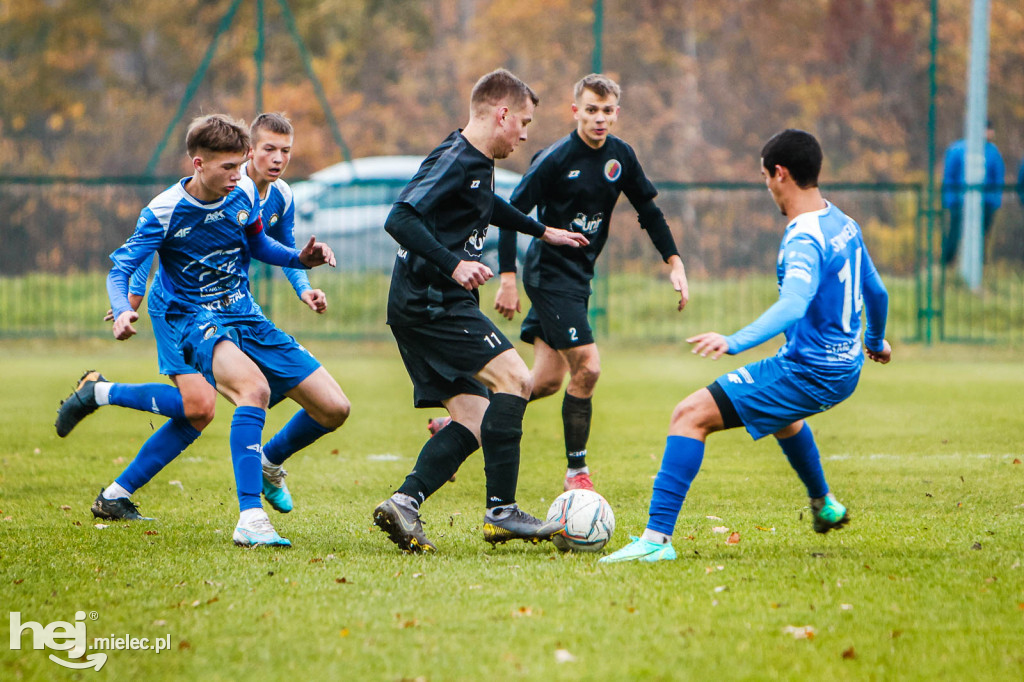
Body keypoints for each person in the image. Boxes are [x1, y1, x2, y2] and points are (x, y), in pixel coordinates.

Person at [600, 129, 891, 564]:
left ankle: (655, 541)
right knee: (783, 418)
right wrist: (874, 340)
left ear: (781, 173)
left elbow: (793, 305)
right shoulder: (842, 223)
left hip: (810, 371)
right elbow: (877, 290)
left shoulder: (803, 238)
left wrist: (734, 341)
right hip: (844, 366)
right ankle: (824, 504)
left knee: (689, 414)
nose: (766, 185)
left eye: (765, 176)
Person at [58, 114, 343, 548]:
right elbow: (123, 267)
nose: (238, 175)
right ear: (198, 164)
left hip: (242, 311)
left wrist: (301, 262)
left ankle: (102, 406)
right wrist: (122, 310)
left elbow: (258, 243)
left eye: (239, 164)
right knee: (248, 392)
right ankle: (250, 517)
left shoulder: (245, 193)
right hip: (187, 315)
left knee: (333, 408)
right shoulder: (163, 211)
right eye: (228, 168)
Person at [373, 68, 589, 553]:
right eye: (525, 122)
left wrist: (544, 231)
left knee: (474, 417)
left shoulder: (473, 161)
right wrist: (453, 266)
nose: (526, 134)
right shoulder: (457, 158)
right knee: (517, 379)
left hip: (417, 305)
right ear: (502, 113)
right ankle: (502, 512)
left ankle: (404, 504)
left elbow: (484, 204)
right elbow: (399, 217)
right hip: (433, 302)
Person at [487, 73, 688, 493]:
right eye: (591, 110)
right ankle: (576, 472)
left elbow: (648, 211)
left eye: (607, 111)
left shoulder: (621, 157)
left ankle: (463, 417)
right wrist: (508, 279)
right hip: (549, 275)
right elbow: (508, 214)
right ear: (575, 111)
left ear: (617, 113)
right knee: (589, 368)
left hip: (578, 277)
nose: (600, 119)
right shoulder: (557, 158)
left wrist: (674, 261)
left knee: (540, 382)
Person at [941, 121, 1005, 267]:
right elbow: (949, 176)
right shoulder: (958, 149)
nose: (990, 133)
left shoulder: (992, 152)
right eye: (988, 129)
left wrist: (994, 201)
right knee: (955, 235)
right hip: (959, 202)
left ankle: (978, 269)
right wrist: (951, 200)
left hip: (985, 203)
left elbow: (998, 178)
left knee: (981, 238)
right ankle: (946, 267)